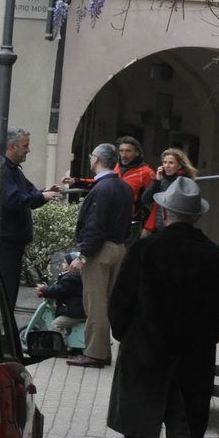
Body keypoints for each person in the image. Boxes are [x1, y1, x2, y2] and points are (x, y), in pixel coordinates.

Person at [107, 177, 219, 438]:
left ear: (164, 211)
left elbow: (120, 303)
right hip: (192, 357)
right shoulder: (216, 257)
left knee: (139, 424)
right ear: (195, 217)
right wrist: (205, 339)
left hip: (145, 353)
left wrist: (125, 335)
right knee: (182, 426)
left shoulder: (145, 250)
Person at [65, 142, 135, 369]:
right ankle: (102, 351)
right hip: (118, 248)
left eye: (91, 155)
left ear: (96, 160)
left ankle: (94, 353)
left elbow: (95, 226)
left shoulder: (102, 190)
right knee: (106, 303)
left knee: (95, 304)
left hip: (100, 251)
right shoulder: (123, 187)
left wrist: (82, 256)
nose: (90, 158)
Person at [0, 128, 61, 310]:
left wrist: (44, 193)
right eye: (25, 146)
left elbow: (29, 196)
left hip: (12, 243)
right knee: (3, 295)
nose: (28, 150)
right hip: (4, 243)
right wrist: (41, 196)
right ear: (12, 146)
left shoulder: (13, 171)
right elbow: (12, 200)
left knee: (8, 294)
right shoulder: (1, 171)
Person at [142, 148, 199, 236]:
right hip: (157, 227)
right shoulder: (161, 179)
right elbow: (145, 199)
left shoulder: (185, 182)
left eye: (171, 163)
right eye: (165, 162)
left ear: (179, 165)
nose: (167, 166)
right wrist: (156, 181)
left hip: (177, 229)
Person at [114, 136, 157, 241]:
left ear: (137, 153)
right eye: (121, 151)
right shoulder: (116, 167)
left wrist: (149, 227)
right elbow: (102, 183)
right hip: (113, 221)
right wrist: (77, 181)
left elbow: (156, 202)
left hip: (133, 224)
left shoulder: (147, 173)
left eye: (128, 151)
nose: (124, 155)